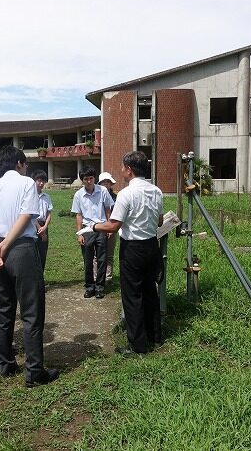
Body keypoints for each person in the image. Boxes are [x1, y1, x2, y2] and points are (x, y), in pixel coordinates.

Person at [0, 145, 59, 387]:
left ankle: (4, 363)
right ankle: (34, 371)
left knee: (4, 307)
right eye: (25, 164)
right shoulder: (25, 183)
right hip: (20, 248)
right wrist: (6, 245)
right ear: (19, 163)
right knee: (32, 311)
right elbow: (26, 215)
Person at [87, 151, 164, 355]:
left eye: (122, 167)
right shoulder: (156, 191)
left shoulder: (125, 194)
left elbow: (113, 226)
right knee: (150, 292)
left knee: (132, 296)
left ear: (129, 170)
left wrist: (94, 227)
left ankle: (137, 345)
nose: (121, 171)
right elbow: (160, 221)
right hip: (151, 246)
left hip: (133, 249)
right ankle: (154, 336)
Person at [71, 167, 114, 299]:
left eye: (91, 178)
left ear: (95, 178)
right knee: (88, 260)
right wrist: (79, 234)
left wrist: (109, 227)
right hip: (87, 229)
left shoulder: (103, 191)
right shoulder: (79, 195)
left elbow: (108, 209)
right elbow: (78, 215)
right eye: (86, 179)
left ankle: (100, 287)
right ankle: (90, 286)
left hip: (101, 227)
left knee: (102, 259)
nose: (89, 181)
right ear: (82, 180)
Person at [98, 172, 118, 282]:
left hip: (112, 227)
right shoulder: (96, 196)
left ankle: (108, 277)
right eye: (103, 182)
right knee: (98, 255)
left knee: (109, 254)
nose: (106, 184)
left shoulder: (116, 197)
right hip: (99, 227)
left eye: (108, 182)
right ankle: (97, 277)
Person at [31, 169, 53, 271]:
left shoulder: (46, 197)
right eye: (38, 181)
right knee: (33, 252)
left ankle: (41, 277)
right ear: (34, 181)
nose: (41, 183)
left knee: (43, 252)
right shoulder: (30, 196)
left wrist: (45, 227)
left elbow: (49, 214)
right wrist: (40, 228)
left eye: (43, 181)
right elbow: (31, 215)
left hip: (44, 225)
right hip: (32, 225)